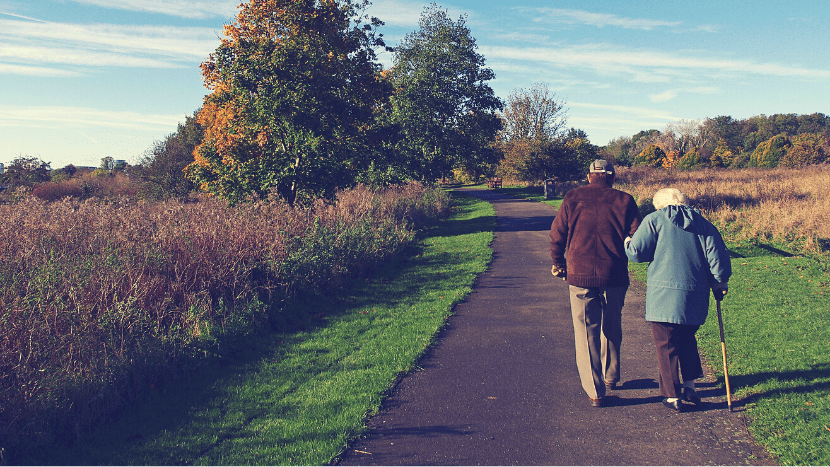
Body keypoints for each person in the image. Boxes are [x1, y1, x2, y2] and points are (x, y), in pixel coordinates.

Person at [624, 187, 731, 412]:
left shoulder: (654, 220)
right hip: (696, 295)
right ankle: (690, 386)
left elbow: (636, 253)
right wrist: (720, 282)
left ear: (660, 205)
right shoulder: (703, 223)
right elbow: (717, 258)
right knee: (687, 338)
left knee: (666, 344)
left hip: (663, 295)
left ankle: (672, 395)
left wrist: (626, 241)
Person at [549, 159, 642, 407]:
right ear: (613, 176)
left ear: (589, 176)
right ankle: (611, 376)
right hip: (614, 273)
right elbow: (637, 236)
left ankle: (595, 391)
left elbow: (557, 234)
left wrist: (558, 263)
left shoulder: (572, 197)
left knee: (586, 331)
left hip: (580, 274)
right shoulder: (625, 200)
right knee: (612, 325)